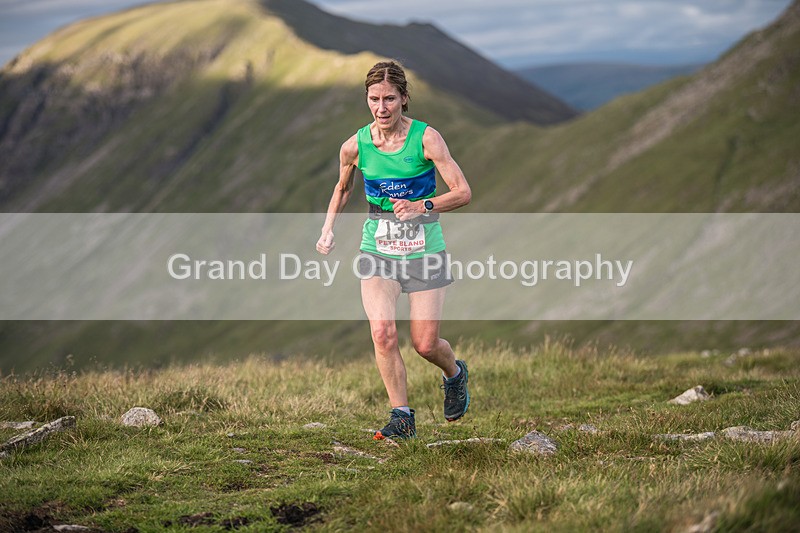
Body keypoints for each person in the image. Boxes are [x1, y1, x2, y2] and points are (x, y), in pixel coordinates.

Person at [316, 60, 472, 440]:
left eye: (389, 98)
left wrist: (423, 206)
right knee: (382, 333)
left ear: (404, 99)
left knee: (425, 344)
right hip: (378, 249)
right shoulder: (355, 146)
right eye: (374, 99)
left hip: (424, 250)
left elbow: (463, 192)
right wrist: (327, 230)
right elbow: (343, 188)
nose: (381, 108)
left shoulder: (426, 139)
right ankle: (402, 418)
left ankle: (455, 373)